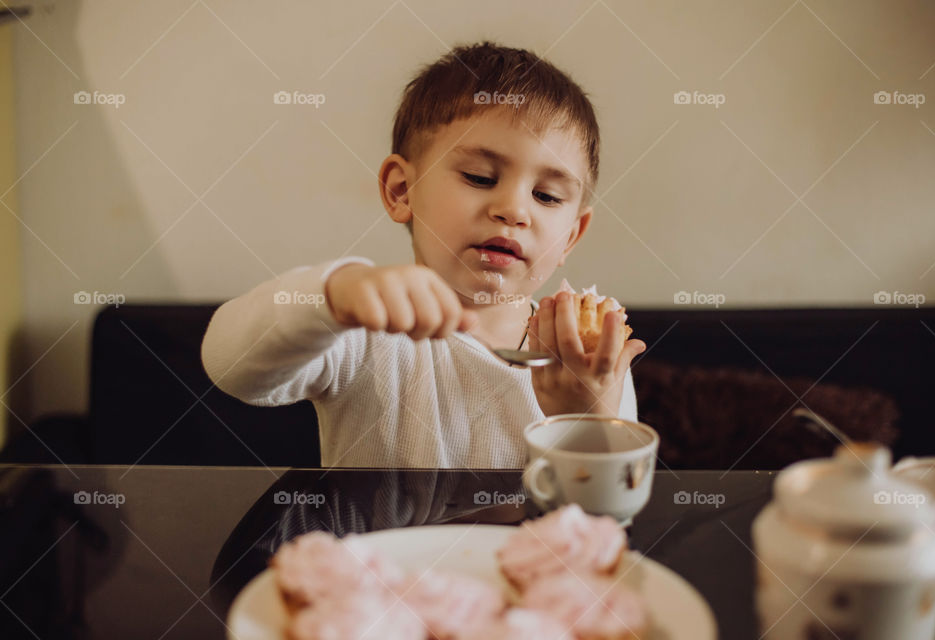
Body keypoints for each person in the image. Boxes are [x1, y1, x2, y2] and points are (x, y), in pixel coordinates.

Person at [201, 41, 647, 468]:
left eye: (547, 196)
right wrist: (333, 296)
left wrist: (585, 420)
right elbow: (230, 367)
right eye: (479, 177)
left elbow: (606, 519)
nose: (513, 210)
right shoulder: (366, 333)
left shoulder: (589, 364)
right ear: (402, 190)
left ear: (571, 236)